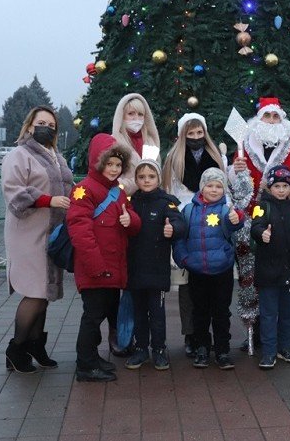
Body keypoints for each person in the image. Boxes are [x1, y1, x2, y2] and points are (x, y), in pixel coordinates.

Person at [230, 96, 290, 351]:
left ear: (283, 119)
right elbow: (234, 190)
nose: (271, 121)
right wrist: (234, 172)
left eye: (275, 116)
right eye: (267, 116)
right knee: (251, 279)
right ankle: (255, 331)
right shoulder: (243, 148)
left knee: (286, 279)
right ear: (258, 120)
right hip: (251, 227)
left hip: (284, 228)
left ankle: (283, 334)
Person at [1, 105, 73, 373]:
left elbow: (67, 186)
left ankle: (35, 345)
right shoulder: (18, 155)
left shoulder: (55, 155)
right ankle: (16, 349)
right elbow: (14, 193)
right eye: (42, 122)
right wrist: (48, 200)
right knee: (35, 292)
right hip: (28, 233)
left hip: (51, 232)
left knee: (44, 292)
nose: (47, 128)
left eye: (52, 125)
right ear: (30, 126)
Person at [67, 133, 141, 382]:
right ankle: (85, 365)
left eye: (118, 165)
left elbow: (132, 221)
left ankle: (92, 358)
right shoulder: (83, 190)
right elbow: (81, 233)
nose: (113, 169)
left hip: (113, 269)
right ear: (98, 163)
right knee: (92, 317)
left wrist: (130, 221)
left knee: (103, 313)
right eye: (109, 164)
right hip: (96, 269)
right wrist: (96, 267)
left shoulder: (117, 191)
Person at [162, 113, 226, 357]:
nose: (196, 138)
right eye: (191, 134)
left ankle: (214, 333)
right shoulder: (173, 158)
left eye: (200, 133)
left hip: (212, 222)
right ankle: (192, 334)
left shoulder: (216, 156)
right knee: (188, 282)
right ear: (182, 135)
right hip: (186, 221)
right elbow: (169, 190)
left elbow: (223, 188)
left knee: (213, 282)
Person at [173, 168, 244, 370]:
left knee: (221, 313)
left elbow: (236, 223)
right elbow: (179, 238)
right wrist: (184, 259)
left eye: (218, 186)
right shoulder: (189, 211)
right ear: (202, 187)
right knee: (200, 312)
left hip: (222, 271)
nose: (214, 190)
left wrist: (237, 217)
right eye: (210, 185)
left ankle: (222, 350)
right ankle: (202, 347)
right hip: (197, 271)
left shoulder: (225, 210)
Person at [108, 92, 160, 356]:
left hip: (147, 215)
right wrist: (132, 184)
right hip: (123, 215)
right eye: (131, 114)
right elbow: (113, 178)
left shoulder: (151, 141)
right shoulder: (115, 142)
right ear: (122, 115)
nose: (136, 119)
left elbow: (156, 174)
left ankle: (144, 336)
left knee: (140, 277)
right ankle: (123, 334)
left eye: (140, 114)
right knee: (125, 280)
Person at [124, 156, 187, 371]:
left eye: (151, 176)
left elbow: (180, 223)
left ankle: (159, 349)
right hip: (135, 268)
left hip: (157, 268)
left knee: (157, 312)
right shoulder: (130, 202)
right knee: (139, 312)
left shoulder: (166, 202)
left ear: (158, 178)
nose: (146, 180)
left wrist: (173, 229)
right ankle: (141, 348)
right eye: (141, 177)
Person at [250, 165, 290, 369]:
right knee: (268, 314)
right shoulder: (263, 206)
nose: (282, 190)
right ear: (270, 187)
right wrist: (261, 234)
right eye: (277, 185)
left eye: (285, 185)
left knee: (288, 313)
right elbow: (256, 226)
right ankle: (268, 351)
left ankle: (285, 347)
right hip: (268, 272)